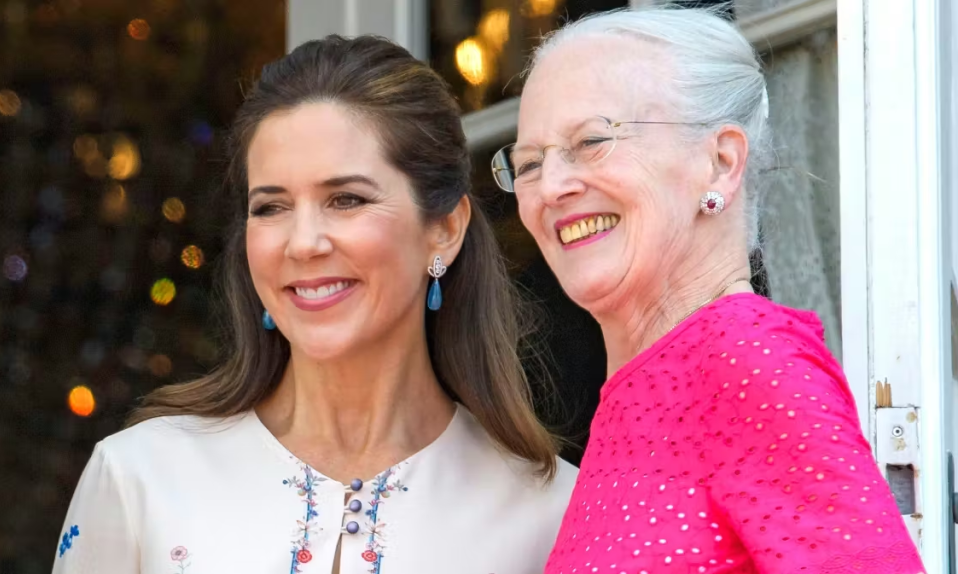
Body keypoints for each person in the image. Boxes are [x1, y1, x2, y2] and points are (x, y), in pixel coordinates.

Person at [52, 35, 577, 574]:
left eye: (346, 199)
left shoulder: (550, 514)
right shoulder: (139, 479)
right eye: (271, 207)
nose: (303, 243)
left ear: (443, 229)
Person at [491, 7, 926, 574]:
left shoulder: (746, 357)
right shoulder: (634, 394)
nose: (550, 186)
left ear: (720, 163)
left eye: (592, 140)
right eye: (528, 164)